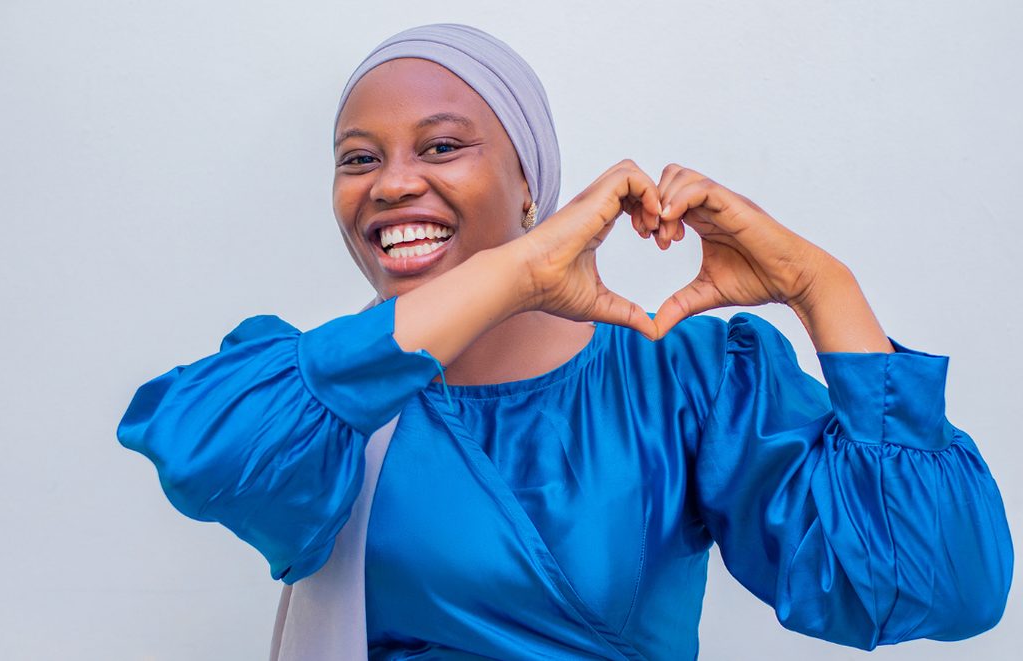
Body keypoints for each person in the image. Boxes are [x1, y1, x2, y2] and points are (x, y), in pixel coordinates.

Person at [117, 23, 1012, 660]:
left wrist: (825, 286)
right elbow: (206, 456)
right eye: (359, 158)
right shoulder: (322, 395)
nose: (392, 183)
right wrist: (508, 274)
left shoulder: (682, 380)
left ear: (529, 187)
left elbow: (932, 584)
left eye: (440, 147)